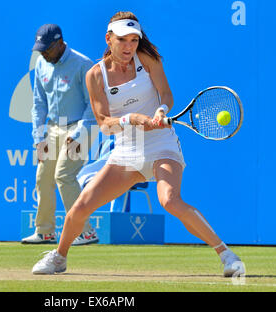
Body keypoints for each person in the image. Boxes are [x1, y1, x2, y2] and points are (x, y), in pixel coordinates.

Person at [31, 12, 245, 277]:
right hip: (126, 151)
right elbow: (104, 123)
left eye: (134, 40)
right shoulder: (95, 75)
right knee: (82, 206)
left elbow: (166, 93)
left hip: (161, 144)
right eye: (122, 40)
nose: (129, 46)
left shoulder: (148, 59)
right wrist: (132, 119)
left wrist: (161, 110)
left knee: (169, 200)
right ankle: (59, 258)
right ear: (109, 39)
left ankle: (227, 254)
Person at [21, 24, 99, 246]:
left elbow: (92, 106)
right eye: (40, 49)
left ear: (60, 43)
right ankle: (45, 231)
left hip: (82, 126)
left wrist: (78, 134)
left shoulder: (83, 64)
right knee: (43, 177)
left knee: (64, 176)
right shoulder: (41, 64)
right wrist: (38, 138)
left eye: (47, 49)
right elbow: (38, 103)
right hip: (54, 127)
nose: (43, 53)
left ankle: (85, 232)